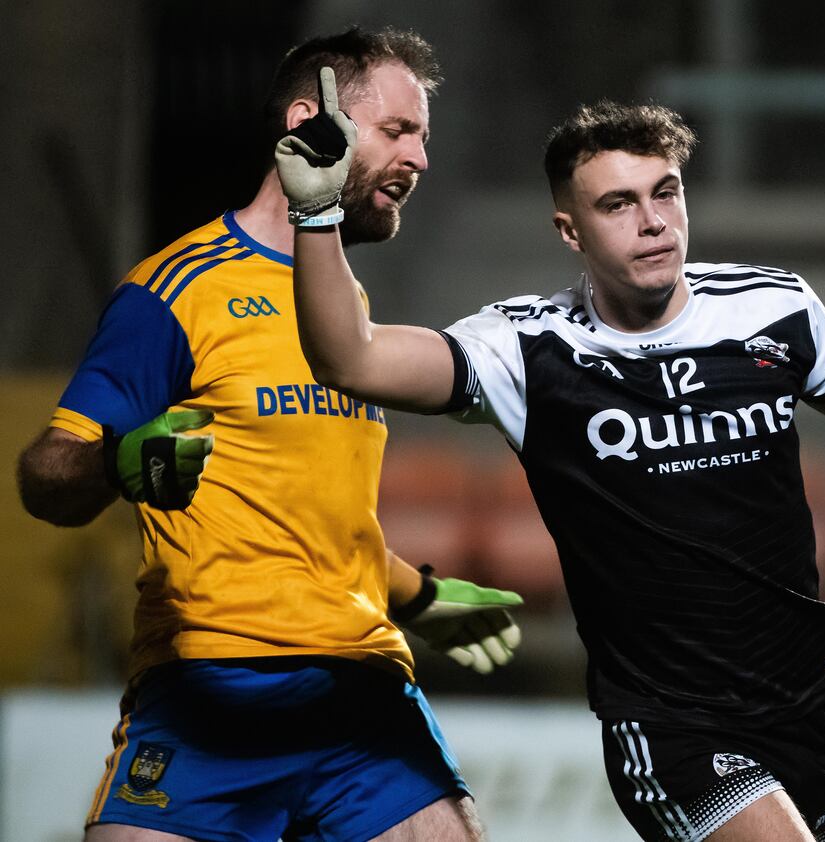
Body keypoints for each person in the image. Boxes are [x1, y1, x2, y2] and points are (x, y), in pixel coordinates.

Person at [277, 88, 825, 842]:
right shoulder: (526, 351)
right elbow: (352, 358)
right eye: (618, 204)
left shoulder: (770, 308)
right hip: (669, 725)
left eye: (665, 192)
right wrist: (318, 217)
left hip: (807, 704)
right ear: (570, 231)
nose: (652, 222)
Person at [17, 28, 523, 842]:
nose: (421, 159)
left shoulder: (345, 309)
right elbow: (45, 478)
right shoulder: (176, 290)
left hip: (360, 695)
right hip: (207, 694)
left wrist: (420, 598)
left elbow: (303, 514)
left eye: (423, 137)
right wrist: (120, 460)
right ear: (309, 123)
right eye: (399, 131)